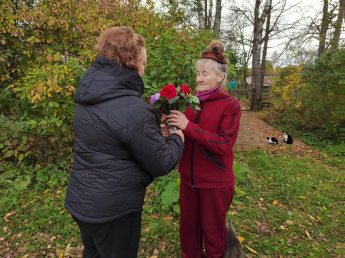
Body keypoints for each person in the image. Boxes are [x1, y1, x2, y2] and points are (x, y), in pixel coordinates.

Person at [64, 26, 184, 258]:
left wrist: (153, 133)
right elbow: (160, 162)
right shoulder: (133, 108)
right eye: (144, 63)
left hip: (82, 202)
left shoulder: (87, 98)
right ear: (132, 61)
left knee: (93, 253)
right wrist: (178, 137)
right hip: (114, 212)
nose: (144, 69)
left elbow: (109, 139)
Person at [167, 40, 241, 258]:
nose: (198, 78)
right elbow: (183, 135)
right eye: (197, 73)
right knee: (188, 234)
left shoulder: (230, 106)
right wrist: (169, 129)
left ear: (220, 77)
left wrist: (189, 127)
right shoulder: (190, 103)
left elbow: (224, 144)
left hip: (215, 185)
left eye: (205, 74)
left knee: (214, 237)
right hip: (188, 181)